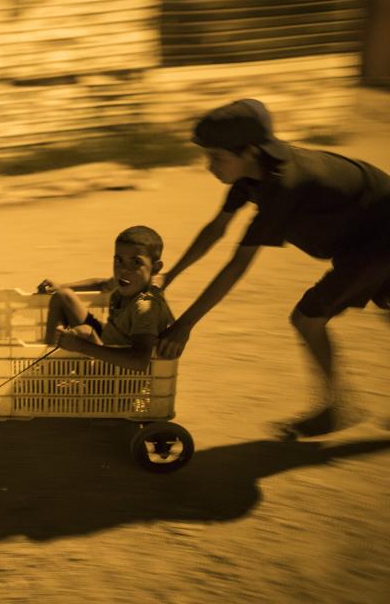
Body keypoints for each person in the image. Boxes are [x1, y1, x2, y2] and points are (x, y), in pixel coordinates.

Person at [157, 98, 390, 438]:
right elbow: (216, 229)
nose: (209, 166)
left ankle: (339, 408)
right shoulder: (252, 176)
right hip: (364, 234)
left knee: (307, 318)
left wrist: (185, 325)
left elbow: (237, 265)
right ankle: (340, 408)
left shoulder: (284, 185)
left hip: (379, 238)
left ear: (250, 151)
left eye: (217, 157)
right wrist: (169, 276)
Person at [39, 226, 175, 371]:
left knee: (84, 331)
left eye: (135, 262)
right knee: (62, 295)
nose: (123, 269)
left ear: (155, 268)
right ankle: (45, 360)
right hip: (105, 343)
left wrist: (82, 346)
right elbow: (101, 284)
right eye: (119, 260)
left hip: (116, 374)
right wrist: (59, 286)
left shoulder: (145, 307)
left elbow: (139, 361)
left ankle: (46, 373)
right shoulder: (127, 280)